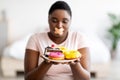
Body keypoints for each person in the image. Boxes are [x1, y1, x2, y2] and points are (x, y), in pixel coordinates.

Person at [24, 1, 91, 80]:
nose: (59, 26)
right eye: (54, 21)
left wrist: (74, 64)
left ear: (70, 22)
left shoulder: (79, 38)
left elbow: (86, 78)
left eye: (64, 21)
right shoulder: (35, 39)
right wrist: (47, 62)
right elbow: (28, 78)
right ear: (48, 20)